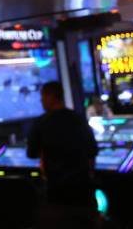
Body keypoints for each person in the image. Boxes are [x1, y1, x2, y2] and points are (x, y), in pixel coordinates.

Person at [26, 82, 98, 210]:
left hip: (56, 190)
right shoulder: (78, 119)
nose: (41, 100)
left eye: (42, 96)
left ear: (50, 96)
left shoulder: (41, 123)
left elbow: (31, 153)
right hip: (83, 188)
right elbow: (92, 150)